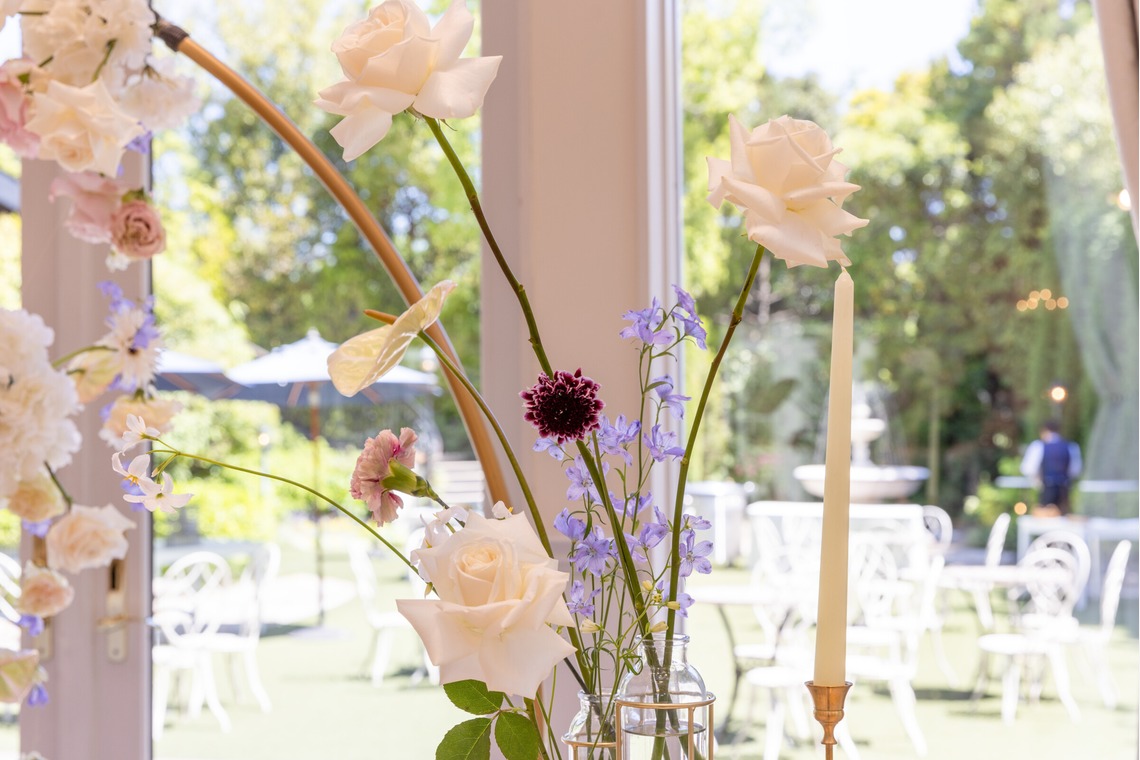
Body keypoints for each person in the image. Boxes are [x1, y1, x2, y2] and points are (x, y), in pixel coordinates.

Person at [1020, 419, 1083, 514]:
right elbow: (1075, 470)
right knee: (1063, 518)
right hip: (1064, 489)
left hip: (1046, 488)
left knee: (1045, 519)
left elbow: (1028, 469)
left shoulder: (1038, 446)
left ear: (1043, 431)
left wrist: (1037, 481)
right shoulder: (1071, 446)